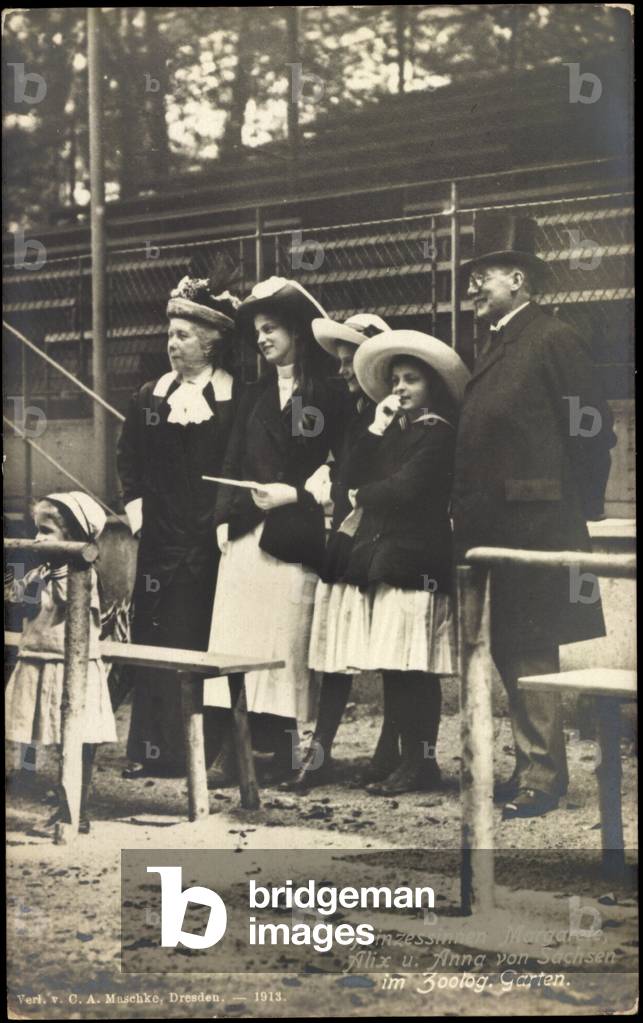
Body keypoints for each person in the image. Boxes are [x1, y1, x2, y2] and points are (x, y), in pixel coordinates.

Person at [451, 210, 617, 819]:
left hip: (537, 525)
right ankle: (529, 765)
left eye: (484, 275)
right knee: (507, 644)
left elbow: (592, 430)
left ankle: (543, 776)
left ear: (518, 279)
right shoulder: (497, 343)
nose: (473, 286)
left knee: (531, 644)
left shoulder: (552, 338)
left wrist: (570, 505)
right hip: (494, 527)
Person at [204, 277, 343, 783]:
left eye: (272, 329)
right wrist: (223, 516)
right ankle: (234, 748)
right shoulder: (255, 394)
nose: (262, 338)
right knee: (238, 636)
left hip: (294, 531)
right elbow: (233, 456)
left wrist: (298, 494)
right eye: (258, 331)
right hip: (247, 529)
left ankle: (281, 749)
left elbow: (342, 464)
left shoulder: (328, 393)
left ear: (297, 334)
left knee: (284, 640)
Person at [117, 276, 242, 777]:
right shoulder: (150, 396)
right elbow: (129, 459)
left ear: (209, 343)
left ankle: (201, 754)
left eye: (183, 336)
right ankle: (152, 752)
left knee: (200, 639)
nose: (172, 343)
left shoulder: (234, 397)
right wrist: (140, 516)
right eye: (170, 334)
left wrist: (224, 521)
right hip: (160, 539)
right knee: (154, 638)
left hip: (211, 541)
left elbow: (241, 462)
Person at [341, 330, 470, 795]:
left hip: (419, 562)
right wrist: (375, 430)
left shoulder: (438, 434)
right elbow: (348, 474)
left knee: (415, 667)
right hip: (388, 558)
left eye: (411, 379)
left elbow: (405, 489)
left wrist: (361, 495)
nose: (400, 388)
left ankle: (421, 761)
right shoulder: (396, 431)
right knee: (394, 665)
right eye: (396, 380)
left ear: (432, 385)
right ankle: (396, 755)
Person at [285, 313, 391, 792]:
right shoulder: (350, 414)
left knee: (395, 652)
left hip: (386, 540)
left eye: (352, 362)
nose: (344, 371)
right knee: (334, 653)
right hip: (349, 539)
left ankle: (394, 753)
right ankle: (320, 753)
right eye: (343, 362)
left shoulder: (399, 415)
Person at [5, 491, 115, 833]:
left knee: (76, 738)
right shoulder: (40, 572)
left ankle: (75, 807)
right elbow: (23, 605)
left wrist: (54, 575)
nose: (39, 538)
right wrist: (21, 584)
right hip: (39, 659)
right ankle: (30, 777)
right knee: (38, 729)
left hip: (72, 668)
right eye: (36, 530)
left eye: (47, 531)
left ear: (74, 538)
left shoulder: (82, 574)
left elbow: (74, 607)